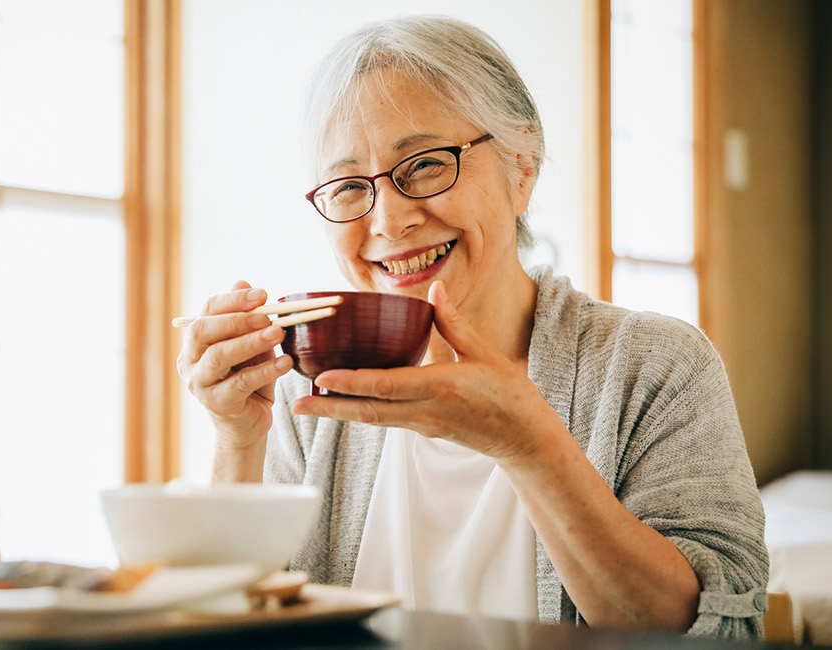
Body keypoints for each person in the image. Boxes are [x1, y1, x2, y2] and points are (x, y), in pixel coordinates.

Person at [176, 15, 767, 639]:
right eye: (350, 186)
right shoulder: (307, 395)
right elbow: (230, 631)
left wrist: (531, 447)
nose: (389, 221)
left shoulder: (656, 366)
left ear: (522, 168)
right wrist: (237, 440)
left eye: (426, 165)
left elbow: (723, 633)